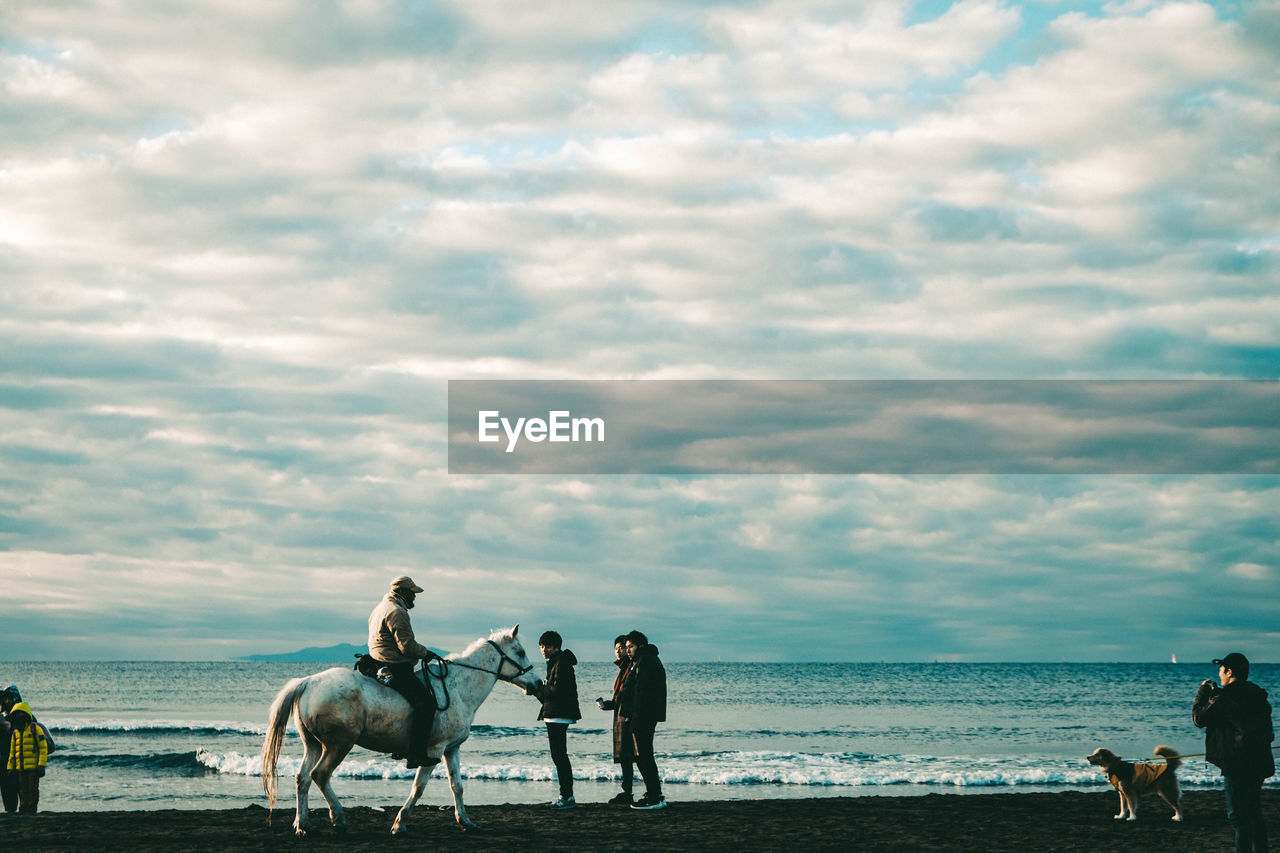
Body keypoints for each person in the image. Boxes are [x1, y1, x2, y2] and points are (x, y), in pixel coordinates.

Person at [1193, 652, 1275, 853]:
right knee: (1254, 813)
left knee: (1238, 818)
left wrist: (1203, 692)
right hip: (1258, 761)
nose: (1219, 674)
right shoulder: (1257, 695)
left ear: (1229, 672)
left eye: (1221, 670)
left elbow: (1198, 719)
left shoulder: (1225, 697)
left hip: (1236, 763)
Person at [366, 575, 438, 768]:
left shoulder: (379, 608)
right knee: (426, 705)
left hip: (377, 663)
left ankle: (401, 746)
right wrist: (426, 653)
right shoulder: (397, 612)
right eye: (412, 593)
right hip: (395, 666)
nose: (414, 597)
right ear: (402, 592)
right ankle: (415, 755)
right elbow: (406, 646)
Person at [621, 630, 667, 811]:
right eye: (626, 647)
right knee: (644, 756)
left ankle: (654, 796)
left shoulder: (645, 661)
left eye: (630, 646)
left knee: (644, 757)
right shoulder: (643, 660)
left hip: (643, 716)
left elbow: (642, 692)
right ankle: (654, 793)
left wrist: (634, 717)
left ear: (640, 645)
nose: (627, 651)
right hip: (645, 715)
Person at [534, 630, 580, 810]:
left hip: (559, 714)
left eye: (547, 646)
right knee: (559, 756)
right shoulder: (557, 662)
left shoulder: (560, 663)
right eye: (541, 646)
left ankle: (567, 796)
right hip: (556, 713)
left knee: (559, 756)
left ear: (556, 647)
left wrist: (537, 690)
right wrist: (540, 691)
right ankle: (566, 795)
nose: (543, 650)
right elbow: (551, 691)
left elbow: (556, 690)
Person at [595, 635, 636, 805]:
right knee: (626, 757)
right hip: (620, 716)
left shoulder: (631, 668)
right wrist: (609, 705)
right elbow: (621, 697)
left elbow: (630, 695)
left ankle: (628, 791)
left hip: (627, 717)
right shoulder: (623, 669)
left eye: (622, 647)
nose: (619, 651)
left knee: (631, 756)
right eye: (616, 648)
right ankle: (627, 791)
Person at [5, 700, 47, 814]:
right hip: (20, 768)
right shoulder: (15, 733)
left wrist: (41, 765)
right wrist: (11, 767)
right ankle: (23, 809)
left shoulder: (35, 729)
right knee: (22, 790)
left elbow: (43, 748)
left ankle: (32, 809)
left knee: (32, 790)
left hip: (33, 768)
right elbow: (12, 752)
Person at [0, 686, 19, 813]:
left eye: (9, 698)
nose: (7, 701)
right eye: (4, 699)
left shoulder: (21, 715)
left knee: (19, 787)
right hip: (4, 758)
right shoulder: (4, 717)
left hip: (15, 758)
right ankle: (10, 810)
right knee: (7, 788)